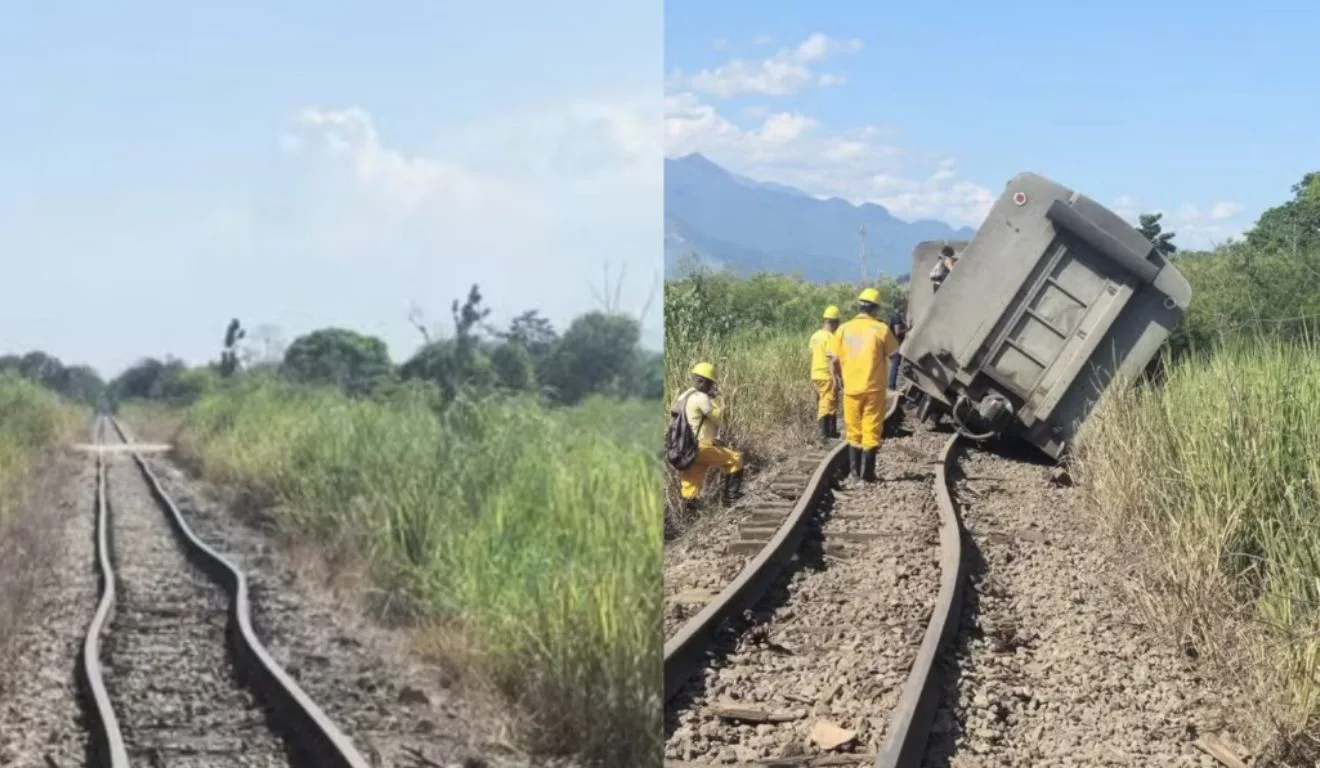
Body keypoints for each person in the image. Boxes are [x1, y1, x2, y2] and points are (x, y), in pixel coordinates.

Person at [829, 288, 900, 483]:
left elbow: (834, 359)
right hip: (874, 388)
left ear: (860, 306)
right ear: (876, 308)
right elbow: (894, 355)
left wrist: (837, 377)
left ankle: (854, 473)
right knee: (871, 428)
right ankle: (868, 474)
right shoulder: (881, 329)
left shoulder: (843, 329)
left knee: (853, 430)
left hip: (851, 389)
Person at [673, 362, 744, 509]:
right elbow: (718, 417)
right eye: (710, 383)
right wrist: (715, 401)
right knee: (735, 459)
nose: (711, 387)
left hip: (686, 449)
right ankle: (731, 501)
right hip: (701, 446)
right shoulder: (702, 397)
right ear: (703, 381)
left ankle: (691, 517)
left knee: (691, 485)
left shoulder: (683, 396)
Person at [809, 306, 842, 442]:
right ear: (834, 322)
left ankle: (831, 431)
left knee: (830, 402)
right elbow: (830, 359)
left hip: (816, 374)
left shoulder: (815, 336)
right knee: (826, 403)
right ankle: (824, 435)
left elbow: (812, 354)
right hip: (826, 374)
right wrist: (834, 377)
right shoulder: (830, 337)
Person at [887, 303, 908, 391]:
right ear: (898, 306)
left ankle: (892, 385)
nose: (903, 306)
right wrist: (909, 329)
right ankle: (891, 386)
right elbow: (897, 332)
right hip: (896, 345)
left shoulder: (891, 316)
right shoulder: (896, 317)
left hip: (891, 345)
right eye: (902, 305)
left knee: (895, 365)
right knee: (895, 365)